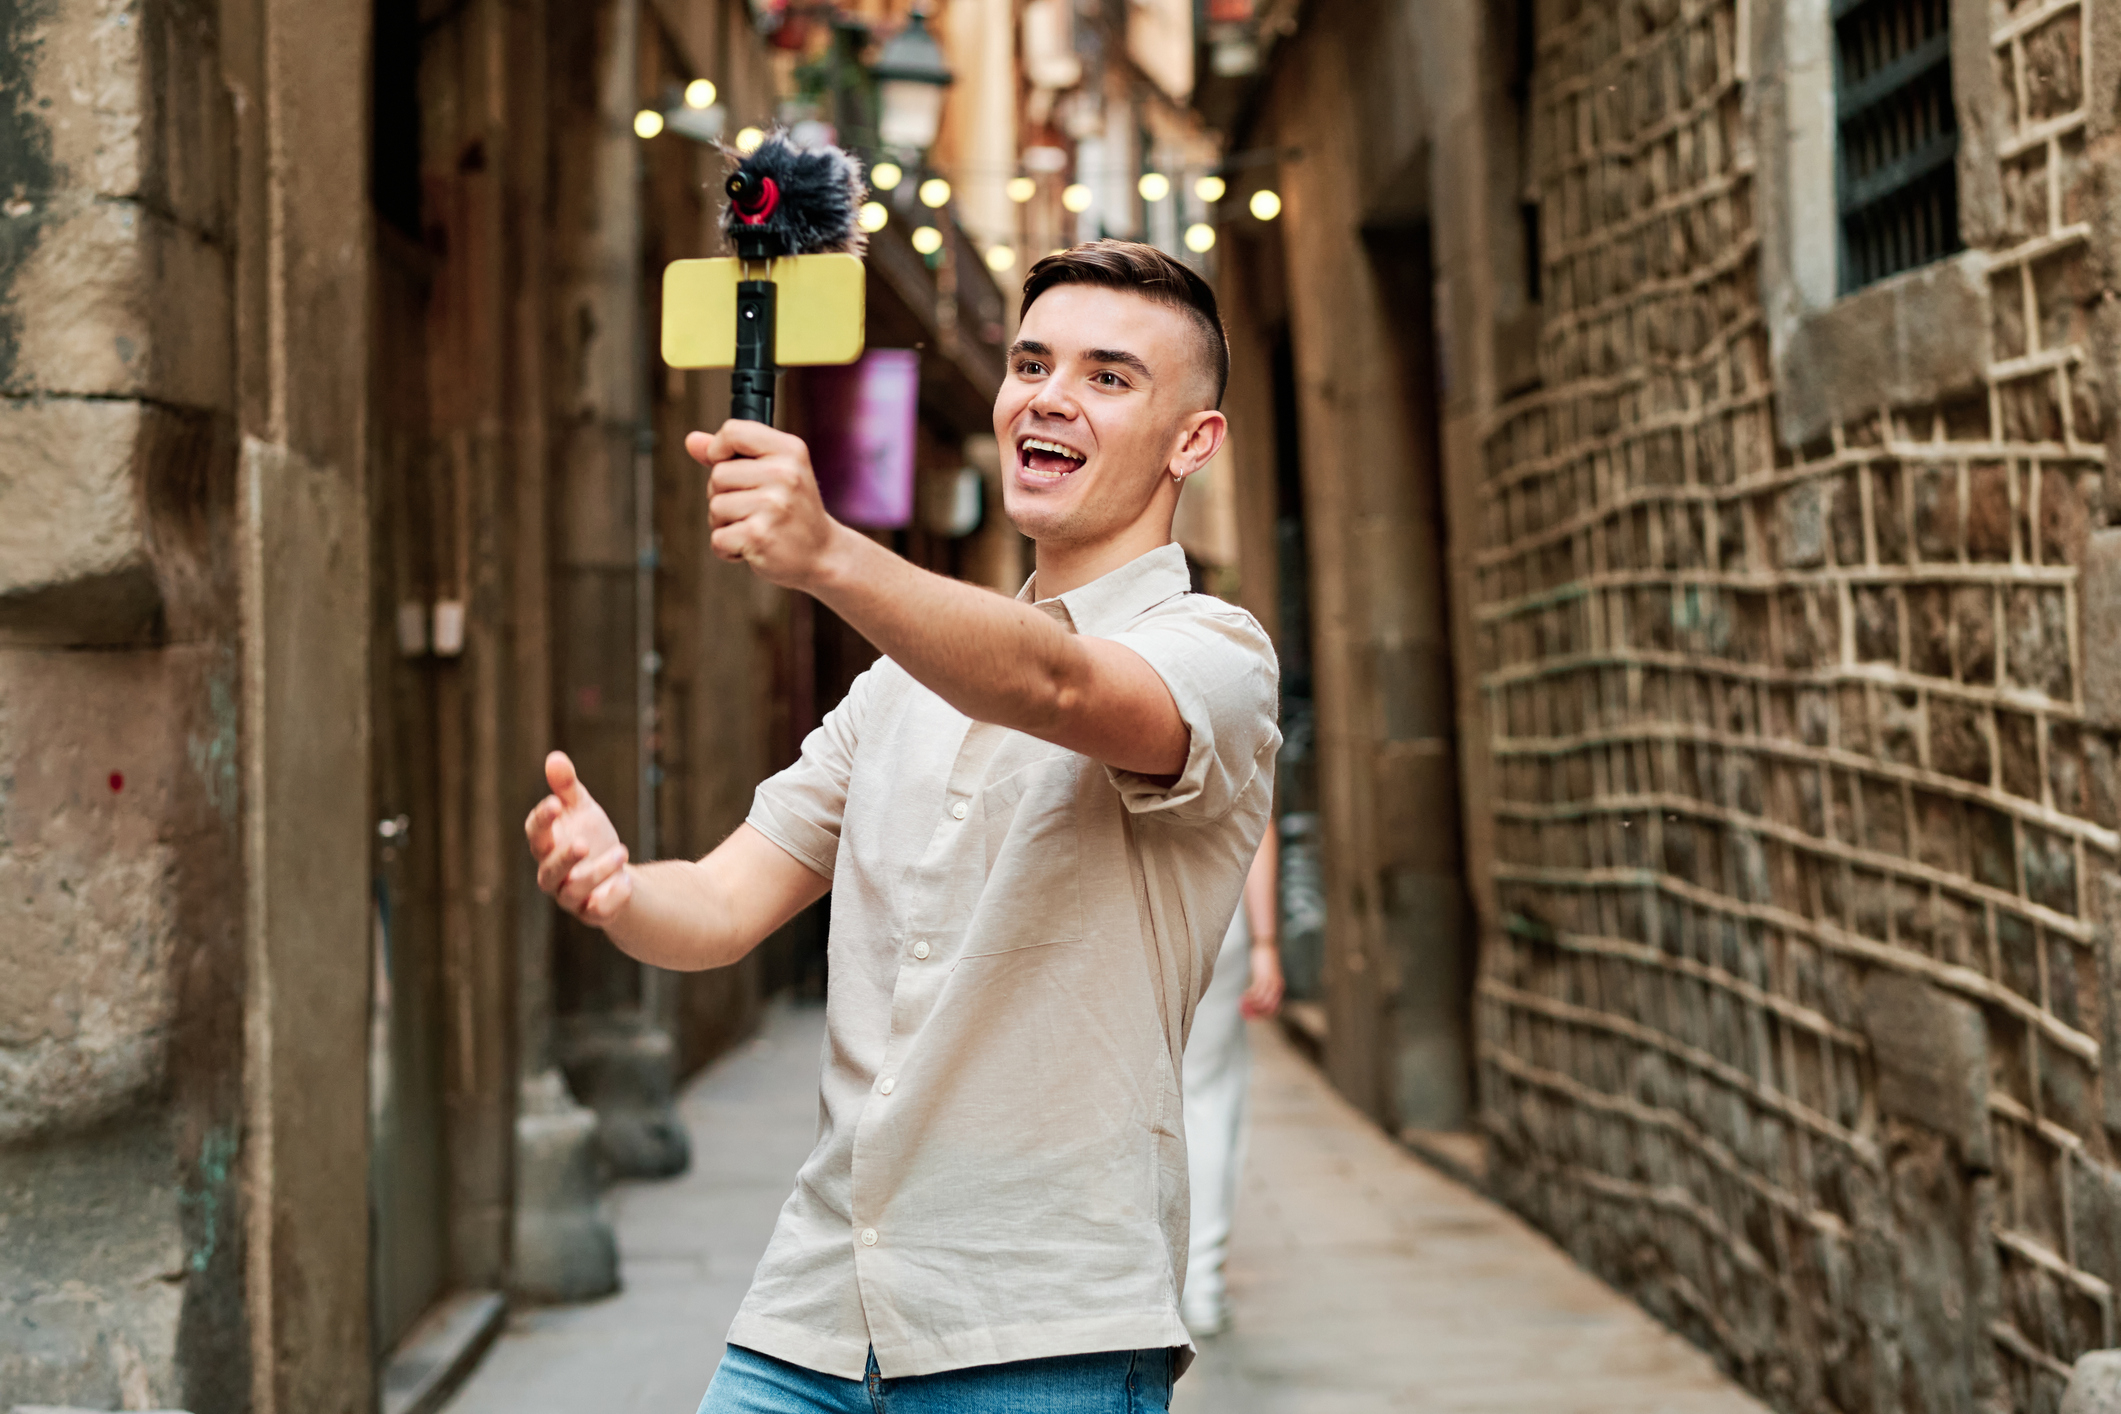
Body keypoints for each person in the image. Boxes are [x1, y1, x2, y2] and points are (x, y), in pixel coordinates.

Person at [525, 240, 1279, 1414]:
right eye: (1031, 363)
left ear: (1194, 440)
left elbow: (1060, 686)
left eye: (1108, 376)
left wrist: (829, 553)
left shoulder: (1219, 655)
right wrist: (621, 890)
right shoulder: (895, 689)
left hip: (1041, 1333)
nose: (1050, 395)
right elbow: (720, 904)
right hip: (815, 1314)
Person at [1179, 827, 1284, 1337]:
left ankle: (1150, 1277)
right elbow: (1256, 823)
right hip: (1216, 912)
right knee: (1208, 1098)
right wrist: (1265, 943)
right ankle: (1201, 1285)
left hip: (1122, 915)